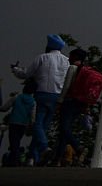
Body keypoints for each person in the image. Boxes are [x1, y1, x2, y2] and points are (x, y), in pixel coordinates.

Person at [11, 34, 70, 166]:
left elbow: (26, 74)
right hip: (57, 96)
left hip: (42, 94)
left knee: (38, 124)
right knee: (43, 127)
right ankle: (33, 156)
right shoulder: (66, 61)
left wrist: (15, 70)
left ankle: (43, 148)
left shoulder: (42, 58)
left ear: (49, 46)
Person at [54, 48, 88, 166]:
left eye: (70, 56)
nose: (68, 59)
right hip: (80, 103)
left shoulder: (72, 68)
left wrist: (60, 101)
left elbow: (67, 86)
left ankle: (78, 147)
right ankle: (58, 158)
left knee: (64, 128)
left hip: (69, 102)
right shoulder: (85, 69)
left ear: (75, 57)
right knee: (65, 129)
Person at [1, 80, 37, 166]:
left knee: (13, 142)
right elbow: (32, 116)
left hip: (13, 122)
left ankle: (13, 161)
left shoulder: (17, 97)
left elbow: (5, 108)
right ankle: (15, 160)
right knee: (17, 141)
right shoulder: (33, 102)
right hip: (23, 124)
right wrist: (32, 125)